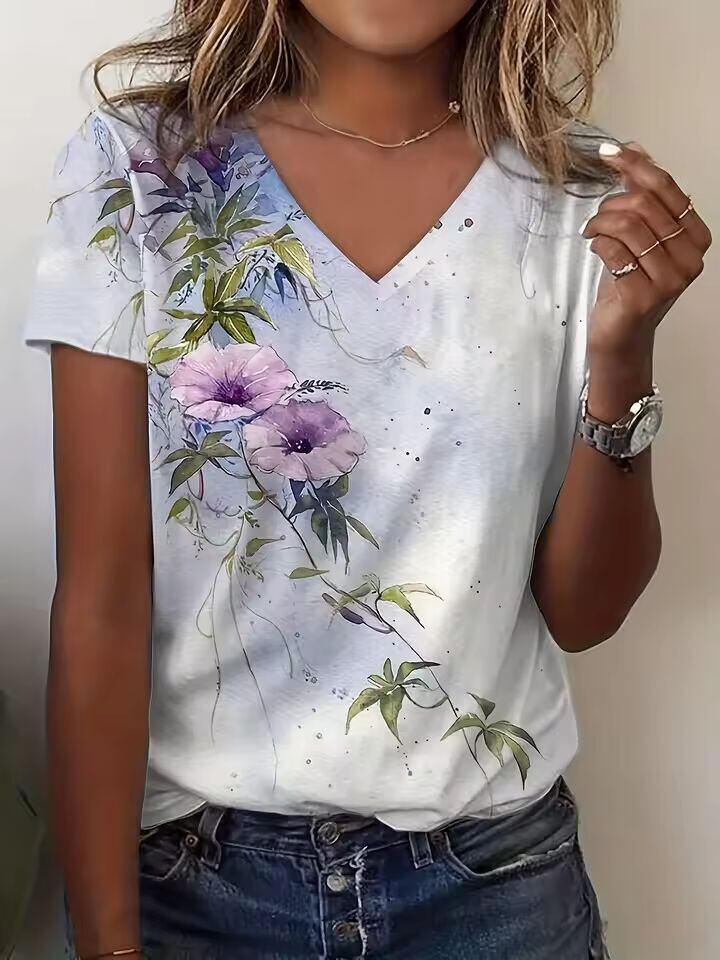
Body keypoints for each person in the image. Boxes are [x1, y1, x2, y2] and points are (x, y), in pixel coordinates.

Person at [26, 1, 711, 958]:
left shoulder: (581, 196)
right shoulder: (143, 167)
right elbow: (102, 597)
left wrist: (626, 352)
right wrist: (105, 943)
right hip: (197, 885)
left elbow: (584, 613)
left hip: (495, 888)